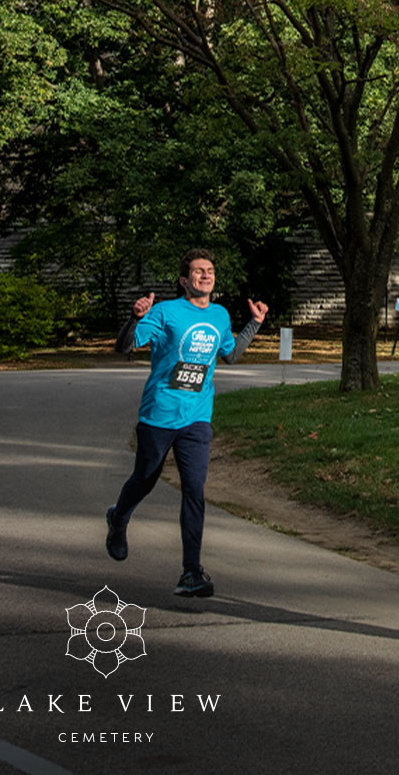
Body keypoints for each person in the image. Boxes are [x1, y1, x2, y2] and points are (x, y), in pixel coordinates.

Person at [105, 249, 268, 598]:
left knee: (194, 491)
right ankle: (118, 518)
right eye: (198, 271)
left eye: (209, 270)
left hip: (197, 418)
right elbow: (124, 347)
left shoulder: (221, 315)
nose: (205, 276)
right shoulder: (164, 312)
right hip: (159, 414)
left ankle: (191, 572)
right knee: (145, 480)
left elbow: (231, 355)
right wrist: (134, 319)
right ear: (184, 280)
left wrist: (253, 324)